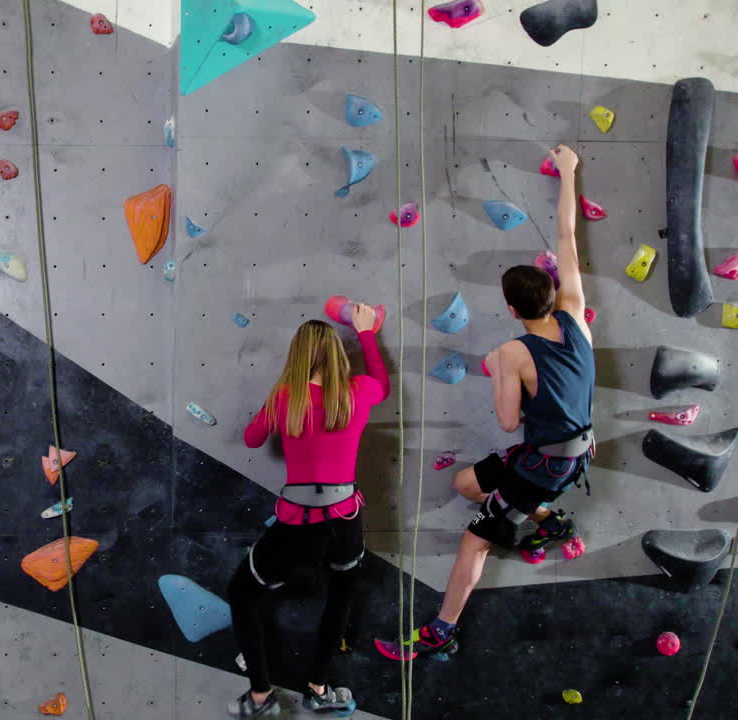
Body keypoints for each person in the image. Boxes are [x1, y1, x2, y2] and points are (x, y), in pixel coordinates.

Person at [399, 144, 595, 659]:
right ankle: (548, 521)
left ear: (511, 309)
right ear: (552, 291)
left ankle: (443, 629)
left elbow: (509, 423)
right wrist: (568, 173)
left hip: (543, 466)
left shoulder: (513, 351)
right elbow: (567, 236)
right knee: (466, 482)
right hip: (572, 454)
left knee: (475, 540)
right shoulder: (574, 310)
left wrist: (495, 370)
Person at [226, 303, 390, 717]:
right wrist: (366, 332)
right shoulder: (358, 392)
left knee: (242, 592)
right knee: (339, 599)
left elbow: (250, 438)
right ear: (338, 355)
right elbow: (382, 385)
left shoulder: (286, 398)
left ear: (295, 357)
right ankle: (317, 689)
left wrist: (281, 398)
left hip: (298, 524)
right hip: (344, 521)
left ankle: (261, 697)